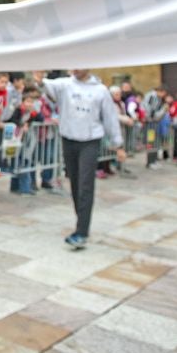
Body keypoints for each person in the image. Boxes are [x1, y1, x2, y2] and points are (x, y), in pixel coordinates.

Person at [33, 69, 126, 250]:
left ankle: (82, 231)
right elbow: (45, 86)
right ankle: (81, 221)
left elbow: (110, 118)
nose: (75, 69)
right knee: (75, 183)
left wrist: (118, 144)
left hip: (90, 142)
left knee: (85, 184)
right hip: (69, 139)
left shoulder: (100, 90)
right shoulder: (65, 84)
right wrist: (39, 79)